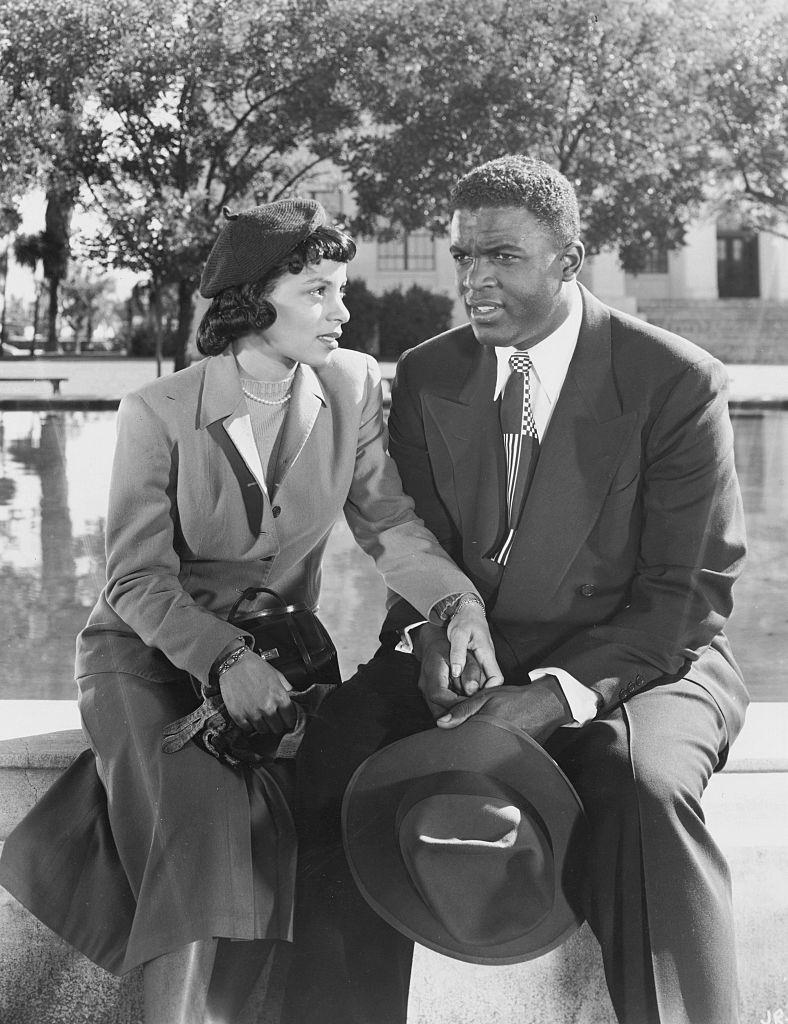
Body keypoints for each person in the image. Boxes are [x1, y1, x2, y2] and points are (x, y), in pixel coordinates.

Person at [0, 198, 503, 1024]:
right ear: (252, 300)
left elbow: (390, 525)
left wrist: (458, 604)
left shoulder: (348, 386)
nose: (343, 310)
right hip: (143, 653)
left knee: (290, 829)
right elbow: (132, 579)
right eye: (317, 292)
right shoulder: (157, 413)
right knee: (199, 828)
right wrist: (225, 662)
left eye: (341, 290)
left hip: (281, 660)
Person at [282, 158, 749, 1024]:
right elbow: (416, 555)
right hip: (474, 649)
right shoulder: (427, 374)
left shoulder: (676, 383)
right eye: (465, 257)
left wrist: (551, 700)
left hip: (646, 658)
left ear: (570, 260)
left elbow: (685, 598)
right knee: (338, 747)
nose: (474, 279)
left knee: (636, 787)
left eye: (502, 257)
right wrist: (427, 641)